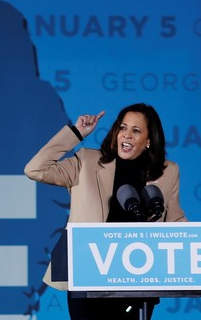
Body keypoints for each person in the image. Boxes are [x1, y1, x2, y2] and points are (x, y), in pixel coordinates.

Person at [24, 103, 187, 320]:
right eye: (123, 128)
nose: (126, 135)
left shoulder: (168, 172)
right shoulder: (87, 162)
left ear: (149, 140)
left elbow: (174, 220)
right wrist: (76, 133)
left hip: (138, 278)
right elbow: (35, 169)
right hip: (88, 275)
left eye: (136, 130)